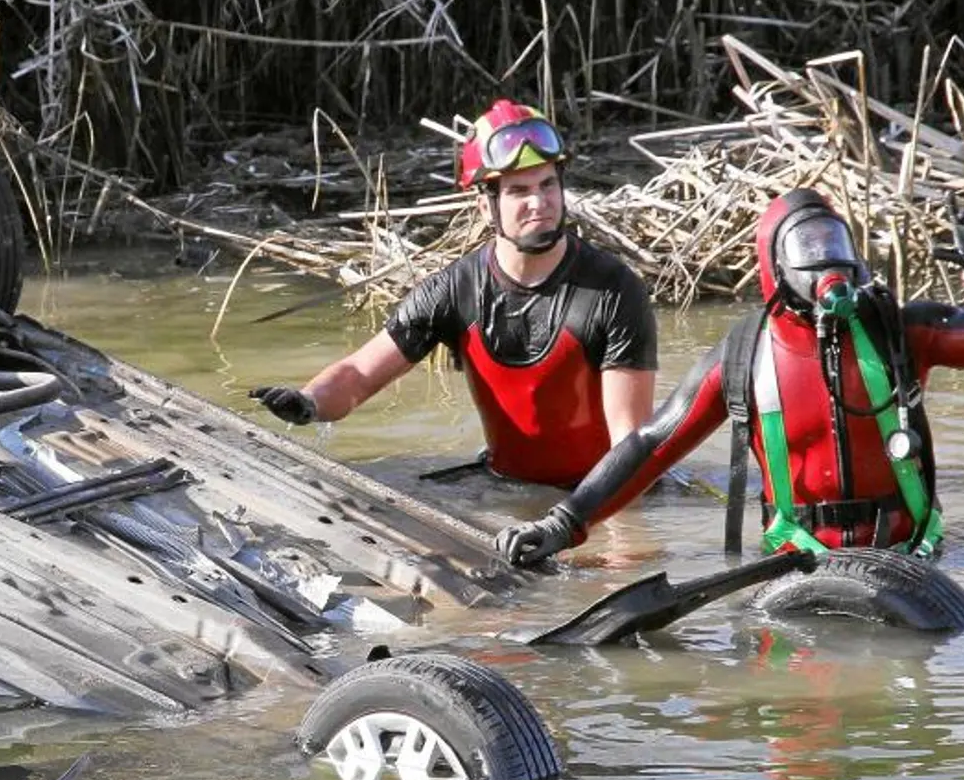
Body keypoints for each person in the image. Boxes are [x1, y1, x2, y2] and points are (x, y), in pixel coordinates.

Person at [495, 188, 964, 566]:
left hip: (910, 557)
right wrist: (563, 524)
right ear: (774, 268)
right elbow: (652, 445)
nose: (827, 262)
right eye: (809, 250)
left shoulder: (897, 330)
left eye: (834, 245)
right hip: (797, 564)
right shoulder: (744, 355)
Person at [247, 99, 658, 488]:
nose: (540, 202)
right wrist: (308, 403)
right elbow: (359, 375)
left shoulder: (615, 292)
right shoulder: (451, 291)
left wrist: (576, 526)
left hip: (600, 497)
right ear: (485, 205)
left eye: (548, 184)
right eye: (519, 191)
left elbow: (631, 448)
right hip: (504, 487)